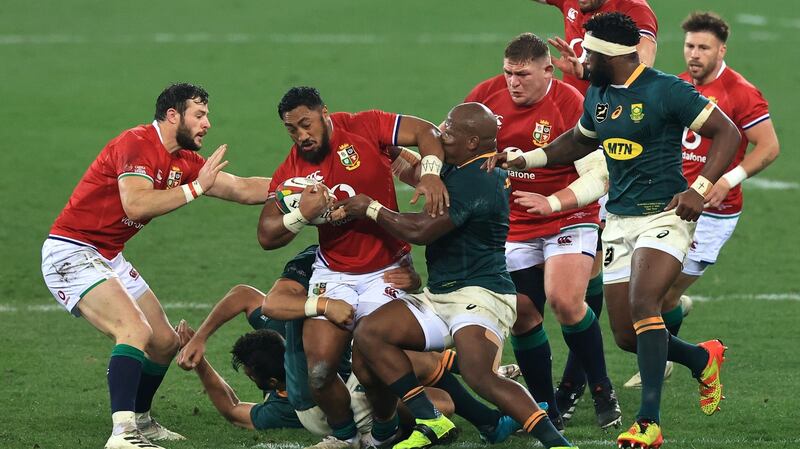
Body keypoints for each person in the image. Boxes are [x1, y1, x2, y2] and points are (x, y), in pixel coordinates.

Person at [485, 13, 741, 448]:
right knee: (625, 334)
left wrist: (699, 189)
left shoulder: (666, 90)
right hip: (620, 219)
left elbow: (728, 133)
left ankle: (648, 424)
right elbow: (578, 141)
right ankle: (702, 358)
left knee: (644, 304)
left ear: (612, 56)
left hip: (665, 215)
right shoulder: (600, 93)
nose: (582, 60)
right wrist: (525, 159)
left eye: (588, 53)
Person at [40, 83, 271, 449]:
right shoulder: (136, 143)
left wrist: (293, 186)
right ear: (173, 115)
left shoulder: (184, 160)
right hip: (71, 252)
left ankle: (142, 421)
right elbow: (135, 205)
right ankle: (122, 433)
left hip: (108, 254)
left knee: (164, 342)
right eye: (200, 115)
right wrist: (195, 189)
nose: (207, 124)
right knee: (134, 328)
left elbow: (241, 188)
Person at [333, 103, 577, 449]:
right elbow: (417, 169)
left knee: (480, 375)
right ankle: (429, 419)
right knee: (369, 336)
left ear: (472, 141)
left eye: (448, 130)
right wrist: (383, 146)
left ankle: (558, 443)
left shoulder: (479, 180)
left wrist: (371, 208)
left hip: (480, 293)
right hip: (440, 295)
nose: (440, 133)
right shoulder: (461, 165)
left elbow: (422, 230)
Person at [256, 86, 449, 449]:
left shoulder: (365, 126)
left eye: (306, 124)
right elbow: (266, 235)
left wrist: (431, 173)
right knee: (319, 372)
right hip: (334, 274)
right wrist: (301, 215)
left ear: (324, 113)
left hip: (386, 270)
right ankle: (345, 437)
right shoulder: (293, 170)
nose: (301, 135)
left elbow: (427, 131)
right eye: (292, 129)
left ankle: (383, 432)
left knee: (370, 366)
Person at [177, 245, 519, 445]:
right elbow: (245, 296)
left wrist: (200, 351)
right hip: (346, 399)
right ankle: (380, 432)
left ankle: (480, 392)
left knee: (407, 360)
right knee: (431, 388)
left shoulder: (280, 401)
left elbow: (233, 409)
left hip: (340, 378)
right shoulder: (287, 383)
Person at [464, 32, 620, 430]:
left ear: (548, 70)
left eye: (522, 75)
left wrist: (552, 202)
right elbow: (454, 144)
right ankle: (545, 409)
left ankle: (601, 387)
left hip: (569, 213)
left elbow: (599, 176)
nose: (513, 82)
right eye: (508, 73)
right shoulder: (486, 97)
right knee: (522, 313)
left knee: (564, 300)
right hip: (514, 222)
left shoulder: (570, 103)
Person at [620, 11, 781, 389]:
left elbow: (769, 146)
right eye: (690, 46)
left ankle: (660, 362)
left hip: (714, 214)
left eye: (704, 48)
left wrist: (728, 179)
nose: (694, 54)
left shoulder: (740, 92)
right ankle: (671, 328)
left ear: (721, 50)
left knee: (660, 295)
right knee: (646, 292)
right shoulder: (676, 85)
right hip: (674, 204)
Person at [535, 0, 658, 94]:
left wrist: (586, 73)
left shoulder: (635, 9)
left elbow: (639, 72)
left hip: (611, 109)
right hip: (573, 106)